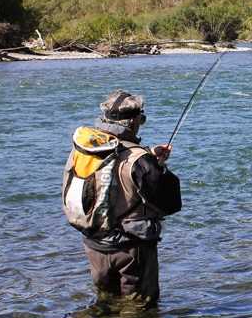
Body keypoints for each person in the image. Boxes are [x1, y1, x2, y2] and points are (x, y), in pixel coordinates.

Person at [62, 90, 181, 305]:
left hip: (94, 244)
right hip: (131, 250)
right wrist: (159, 168)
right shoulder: (141, 162)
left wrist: (148, 154)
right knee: (138, 311)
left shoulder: (82, 148)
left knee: (105, 304)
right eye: (141, 119)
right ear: (134, 121)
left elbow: (115, 159)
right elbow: (169, 203)